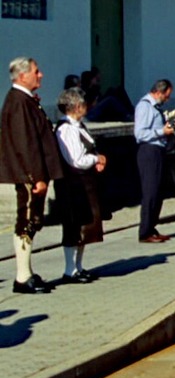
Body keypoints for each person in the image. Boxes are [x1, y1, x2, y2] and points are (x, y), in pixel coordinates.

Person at [1, 57, 65, 293]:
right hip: (28, 176)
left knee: (33, 221)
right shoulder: (18, 102)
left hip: (33, 175)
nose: (41, 75)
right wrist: (35, 176)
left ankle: (27, 271)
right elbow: (25, 143)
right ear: (22, 75)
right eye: (36, 72)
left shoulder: (25, 100)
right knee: (26, 221)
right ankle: (21, 277)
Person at [54, 87, 107, 282]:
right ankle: (70, 270)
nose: (87, 107)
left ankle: (78, 266)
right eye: (84, 104)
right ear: (76, 106)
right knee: (74, 226)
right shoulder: (66, 129)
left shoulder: (79, 126)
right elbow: (75, 159)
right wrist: (95, 159)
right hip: (74, 184)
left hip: (84, 182)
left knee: (85, 227)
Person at [134, 79, 175, 243]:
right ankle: (144, 232)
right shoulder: (145, 107)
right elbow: (140, 134)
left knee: (158, 191)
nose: (167, 99)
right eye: (166, 96)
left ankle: (152, 227)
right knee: (150, 191)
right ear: (158, 92)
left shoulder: (155, 108)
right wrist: (161, 131)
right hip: (149, 151)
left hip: (158, 150)